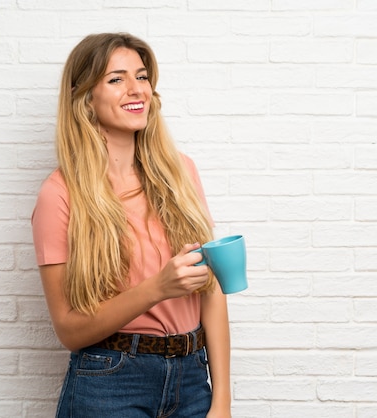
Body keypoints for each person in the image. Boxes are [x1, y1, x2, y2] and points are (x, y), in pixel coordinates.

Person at [31, 32, 231, 418]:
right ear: (85, 98)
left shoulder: (181, 172)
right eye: (116, 79)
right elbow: (69, 331)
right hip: (110, 382)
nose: (136, 89)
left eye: (141, 76)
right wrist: (157, 288)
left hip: (192, 380)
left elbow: (211, 287)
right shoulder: (60, 195)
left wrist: (221, 400)